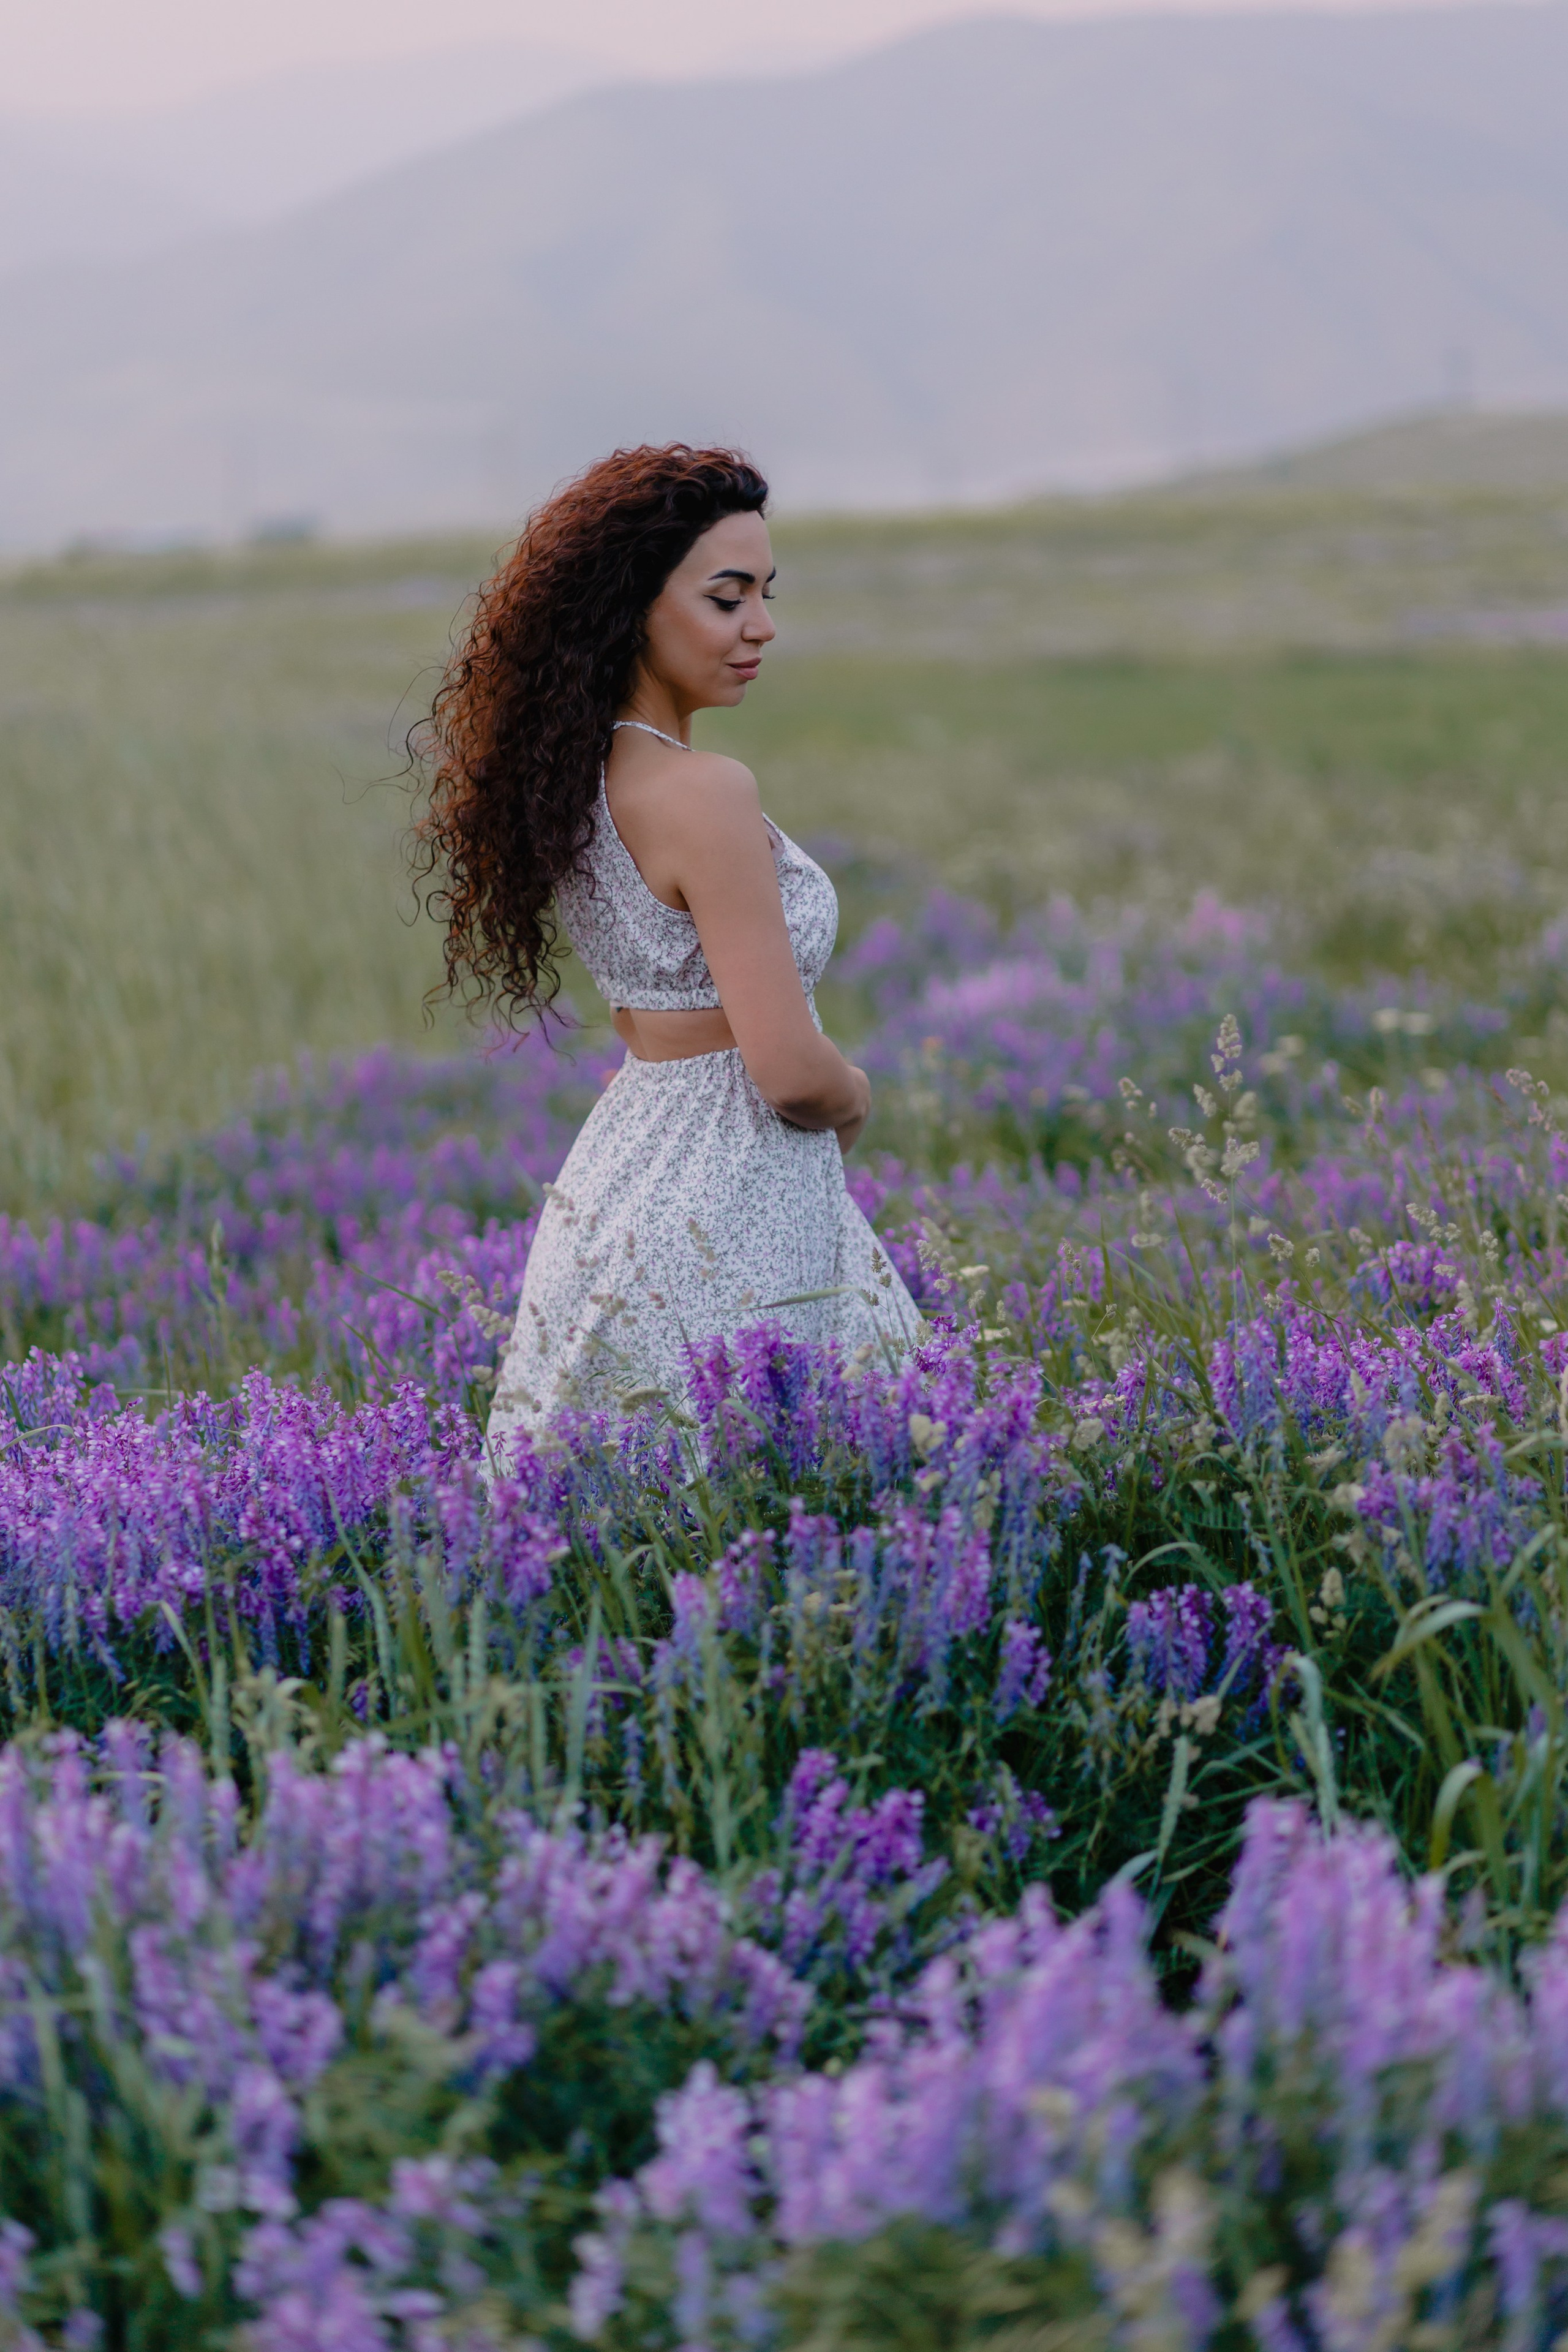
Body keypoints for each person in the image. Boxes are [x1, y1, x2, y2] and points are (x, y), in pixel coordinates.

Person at [413, 442, 919, 1463]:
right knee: (810, 1505)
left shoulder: (576, 778)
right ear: (634, 605)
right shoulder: (705, 792)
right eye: (727, 598)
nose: (762, 627)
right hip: (737, 1195)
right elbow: (783, 1070)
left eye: (767, 595)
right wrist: (855, 1096)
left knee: (604, 1529)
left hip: (620, 1179)